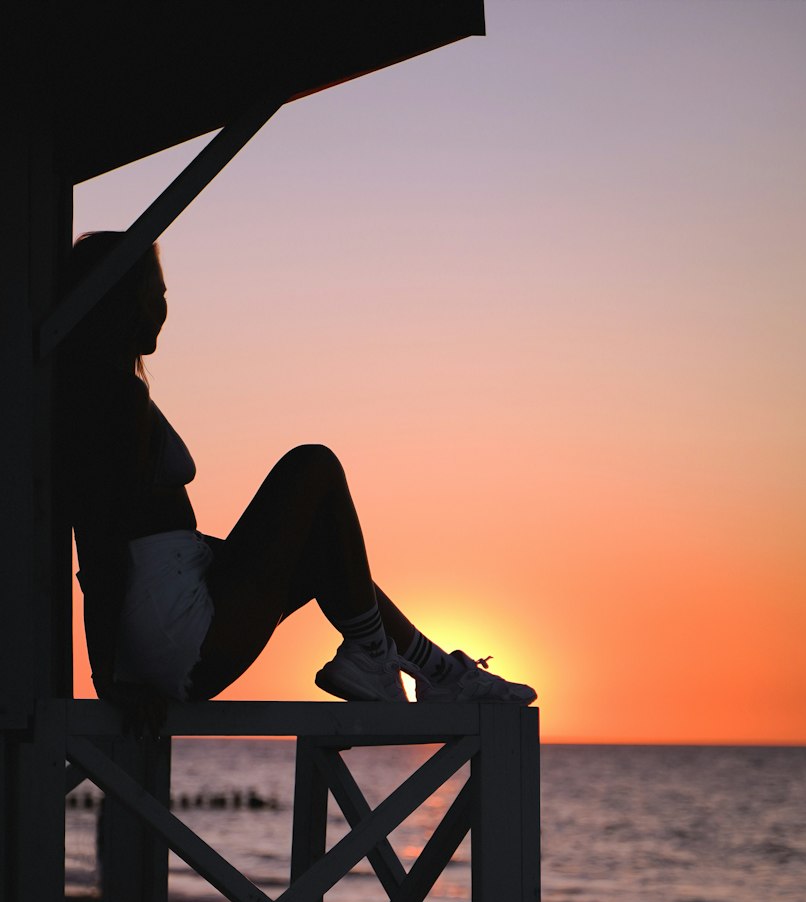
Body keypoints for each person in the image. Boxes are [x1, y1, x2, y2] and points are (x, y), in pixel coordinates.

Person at [59, 232, 536, 711]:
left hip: (166, 618)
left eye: (164, 297)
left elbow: (129, 532)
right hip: (172, 627)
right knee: (313, 465)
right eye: (152, 294)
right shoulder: (116, 397)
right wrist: (109, 678)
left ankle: (434, 671)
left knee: (325, 553)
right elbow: (102, 540)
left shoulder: (101, 391)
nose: (160, 310)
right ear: (118, 299)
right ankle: (388, 659)